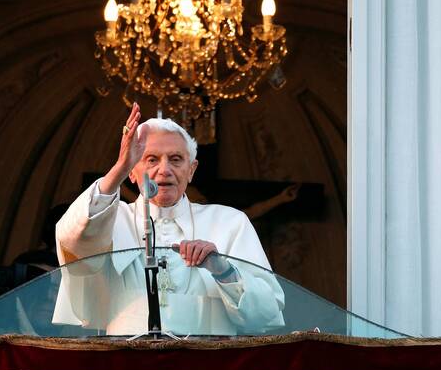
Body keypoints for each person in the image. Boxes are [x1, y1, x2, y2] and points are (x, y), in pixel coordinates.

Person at [52, 103, 285, 335]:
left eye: (175, 159)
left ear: (191, 170)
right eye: (151, 159)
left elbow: (266, 313)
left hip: (209, 363)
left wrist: (223, 270)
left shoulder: (230, 222)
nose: (164, 170)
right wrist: (119, 168)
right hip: (126, 361)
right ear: (132, 171)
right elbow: (74, 240)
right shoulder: (110, 218)